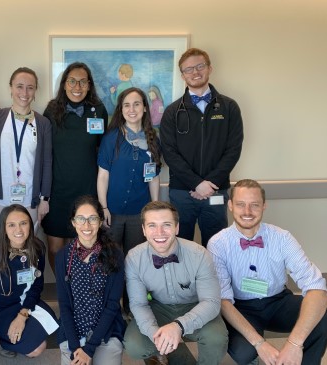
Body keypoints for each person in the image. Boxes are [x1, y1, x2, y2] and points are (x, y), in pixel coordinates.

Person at [207, 179, 327, 365]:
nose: (247, 212)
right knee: (244, 353)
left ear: (264, 206)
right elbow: (224, 302)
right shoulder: (218, 244)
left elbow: (317, 290)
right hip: (240, 306)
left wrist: (294, 344)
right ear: (230, 205)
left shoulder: (282, 238)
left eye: (254, 205)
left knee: (324, 318)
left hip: (278, 301)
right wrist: (259, 344)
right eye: (241, 205)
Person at [124, 201, 228, 365]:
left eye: (166, 225)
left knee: (216, 338)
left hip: (194, 305)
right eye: (152, 225)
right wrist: (155, 334)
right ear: (143, 230)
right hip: (158, 307)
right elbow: (138, 304)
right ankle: (161, 351)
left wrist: (179, 326)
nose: (159, 232)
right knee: (135, 346)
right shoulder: (134, 258)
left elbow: (211, 302)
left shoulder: (199, 254)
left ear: (176, 228)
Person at [159, 47, 244, 246]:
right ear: (182, 75)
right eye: (189, 69)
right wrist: (196, 183)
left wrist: (210, 182)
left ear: (209, 68)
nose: (195, 72)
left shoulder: (229, 107)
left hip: (216, 190)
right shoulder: (172, 112)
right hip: (182, 193)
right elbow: (170, 153)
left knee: (216, 248)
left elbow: (233, 149)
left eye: (200, 66)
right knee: (180, 247)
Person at [97, 87, 162, 314]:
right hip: (112, 212)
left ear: (145, 108)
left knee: (135, 262)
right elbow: (103, 176)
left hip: (139, 214)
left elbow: (153, 177)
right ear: (121, 109)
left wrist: (154, 210)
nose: (131, 109)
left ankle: (132, 307)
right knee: (112, 260)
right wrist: (103, 207)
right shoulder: (111, 139)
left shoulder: (153, 140)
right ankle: (110, 306)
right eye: (126, 105)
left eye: (136, 104)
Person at [42, 62, 108, 273]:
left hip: (87, 190)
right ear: (64, 84)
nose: (77, 86)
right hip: (57, 190)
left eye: (82, 81)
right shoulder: (52, 110)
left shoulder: (98, 111)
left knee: (83, 246)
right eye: (72, 81)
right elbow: (44, 151)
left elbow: (103, 152)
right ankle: (64, 288)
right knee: (55, 247)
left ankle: (79, 291)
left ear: (89, 85)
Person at [0, 204, 59, 358]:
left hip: (26, 302)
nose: (19, 230)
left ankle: (16, 330)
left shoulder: (38, 248)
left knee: (46, 335)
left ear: (30, 224)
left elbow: (37, 285)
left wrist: (23, 314)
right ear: (4, 228)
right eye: (12, 225)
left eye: (23, 223)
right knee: (35, 349)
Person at [55, 195, 126, 365]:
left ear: (101, 221)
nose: (86, 225)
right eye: (81, 219)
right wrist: (75, 347)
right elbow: (64, 305)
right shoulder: (63, 257)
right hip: (74, 329)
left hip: (105, 329)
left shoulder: (115, 254)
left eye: (92, 219)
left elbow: (112, 305)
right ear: (73, 222)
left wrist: (90, 348)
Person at [0, 67, 52, 227]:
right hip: (1, 196)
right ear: (11, 88)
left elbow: (47, 163)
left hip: (31, 197)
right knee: (3, 243)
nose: (25, 92)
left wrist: (45, 199)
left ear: (35, 90)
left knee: (27, 244)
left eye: (30, 87)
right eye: (19, 86)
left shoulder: (43, 123)